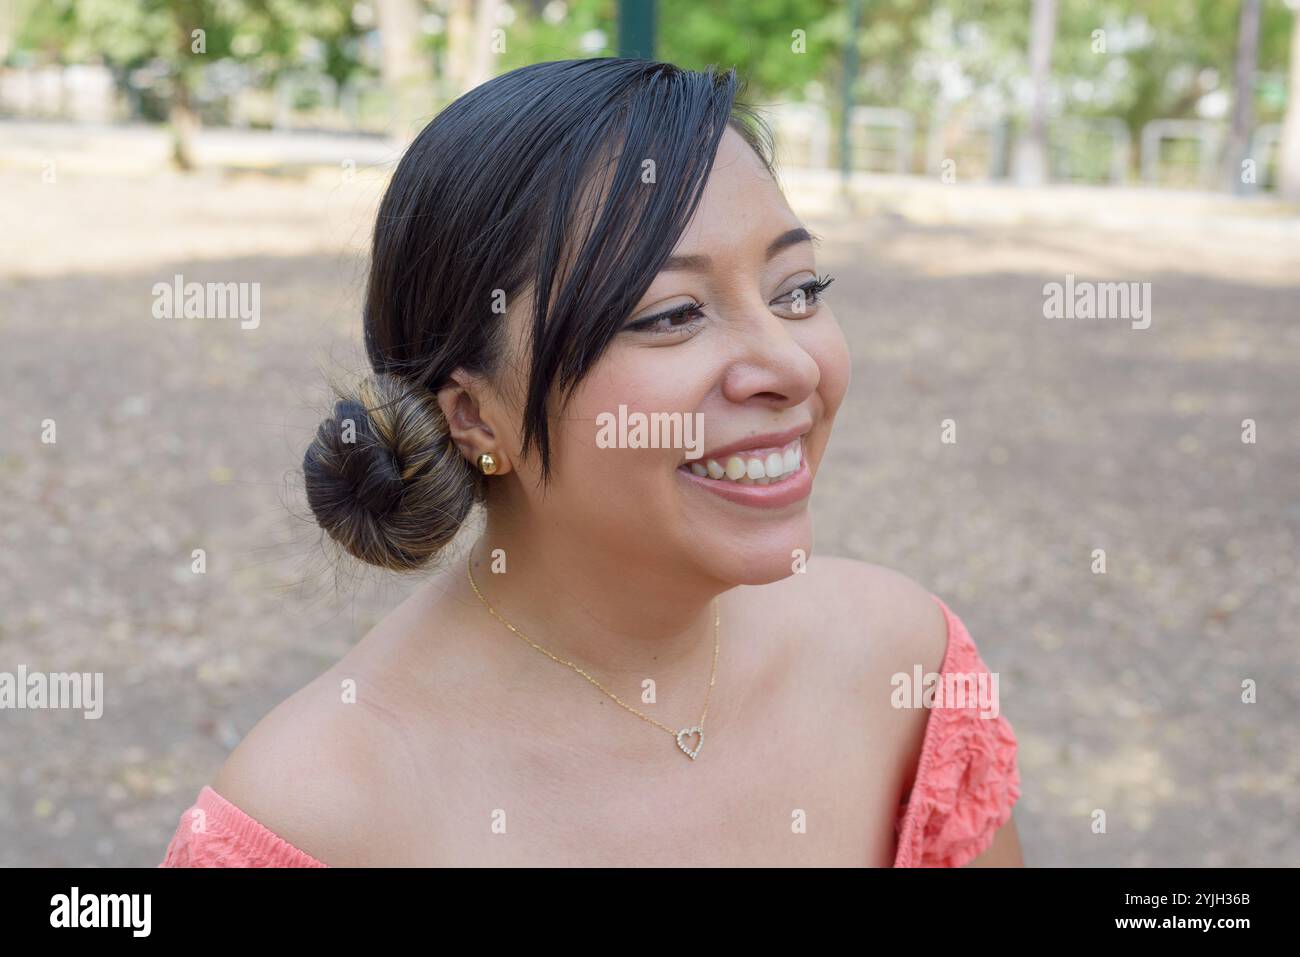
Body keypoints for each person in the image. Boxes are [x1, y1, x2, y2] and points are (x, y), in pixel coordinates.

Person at [160, 57, 1021, 868]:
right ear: (473, 415)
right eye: (673, 312)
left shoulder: (904, 664)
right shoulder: (322, 813)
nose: (793, 366)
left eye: (797, 291)